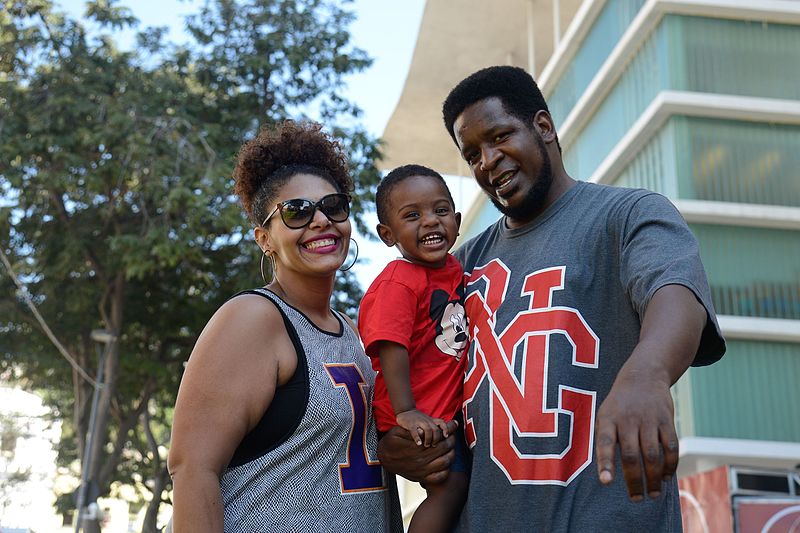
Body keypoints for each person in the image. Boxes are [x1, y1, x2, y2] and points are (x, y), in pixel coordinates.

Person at [377, 66, 726, 531]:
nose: (488, 160)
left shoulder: (627, 214)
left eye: (500, 136)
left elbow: (674, 289)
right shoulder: (456, 266)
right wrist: (395, 444)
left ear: (544, 127)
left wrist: (650, 371)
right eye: (472, 153)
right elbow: (404, 360)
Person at [167, 120, 402, 532]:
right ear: (264, 238)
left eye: (333, 206)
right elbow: (191, 468)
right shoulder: (254, 319)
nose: (320, 221)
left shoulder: (351, 329)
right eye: (296, 212)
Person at [358, 164, 470, 532]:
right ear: (388, 235)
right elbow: (391, 345)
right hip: (413, 411)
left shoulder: (453, 269)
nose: (430, 222)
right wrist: (406, 411)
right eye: (412, 215)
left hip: (437, 409)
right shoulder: (399, 282)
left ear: (455, 218)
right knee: (448, 489)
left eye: (440, 211)